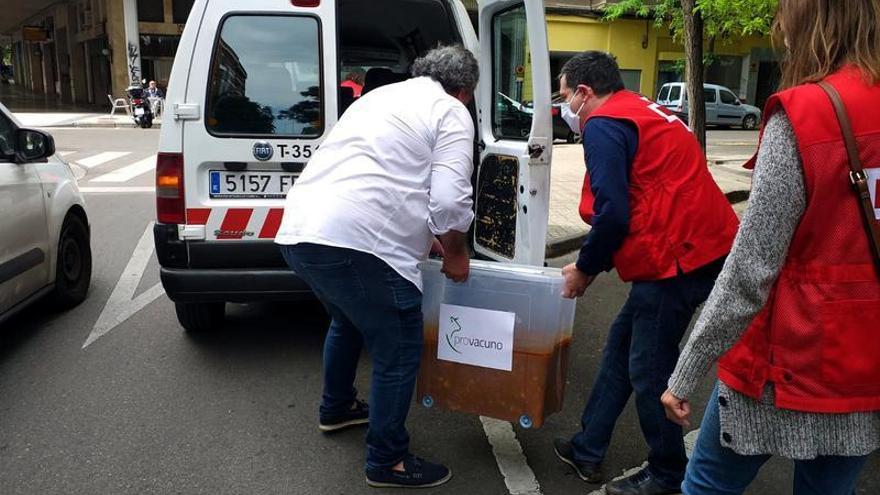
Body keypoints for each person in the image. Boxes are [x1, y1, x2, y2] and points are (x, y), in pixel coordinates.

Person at [661, 1, 880, 493]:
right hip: (867, 365)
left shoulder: (805, 114)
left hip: (780, 365)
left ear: (809, 20)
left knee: (708, 485)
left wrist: (685, 372)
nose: (779, 26)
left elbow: (750, 269)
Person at [274, 45, 478, 489]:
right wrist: (457, 252)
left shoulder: (378, 99)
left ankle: (337, 407)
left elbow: (387, 175)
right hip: (359, 244)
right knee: (400, 348)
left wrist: (433, 239)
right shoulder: (450, 111)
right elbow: (447, 199)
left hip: (300, 232)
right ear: (463, 91)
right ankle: (387, 461)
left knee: (346, 321)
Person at [552, 51, 739, 495]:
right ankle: (587, 447)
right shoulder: (643, 108)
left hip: (674, 260)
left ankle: (667, 473)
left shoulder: (603, 124)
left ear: (584, 92)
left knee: (650, 370)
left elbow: (613, 213)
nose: (565, 110)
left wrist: (584, 268)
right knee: (621, 346)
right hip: (702, 244)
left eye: (565, 98)